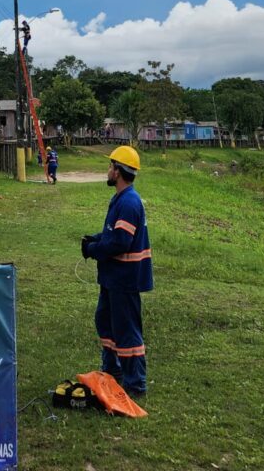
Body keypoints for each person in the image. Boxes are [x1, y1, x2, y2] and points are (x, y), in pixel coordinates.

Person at [81, 146, 153, 399]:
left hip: (125, 278)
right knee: (106, 322)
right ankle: (112, 371)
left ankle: (135, 384)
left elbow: (121, 242)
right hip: (113, 276)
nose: (108, 170)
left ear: (119, 172)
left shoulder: (130, 202)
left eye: (111, 166)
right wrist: (96, 239)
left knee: (126, 330)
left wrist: (93, 249)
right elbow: (114, 235)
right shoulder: (120, 199)